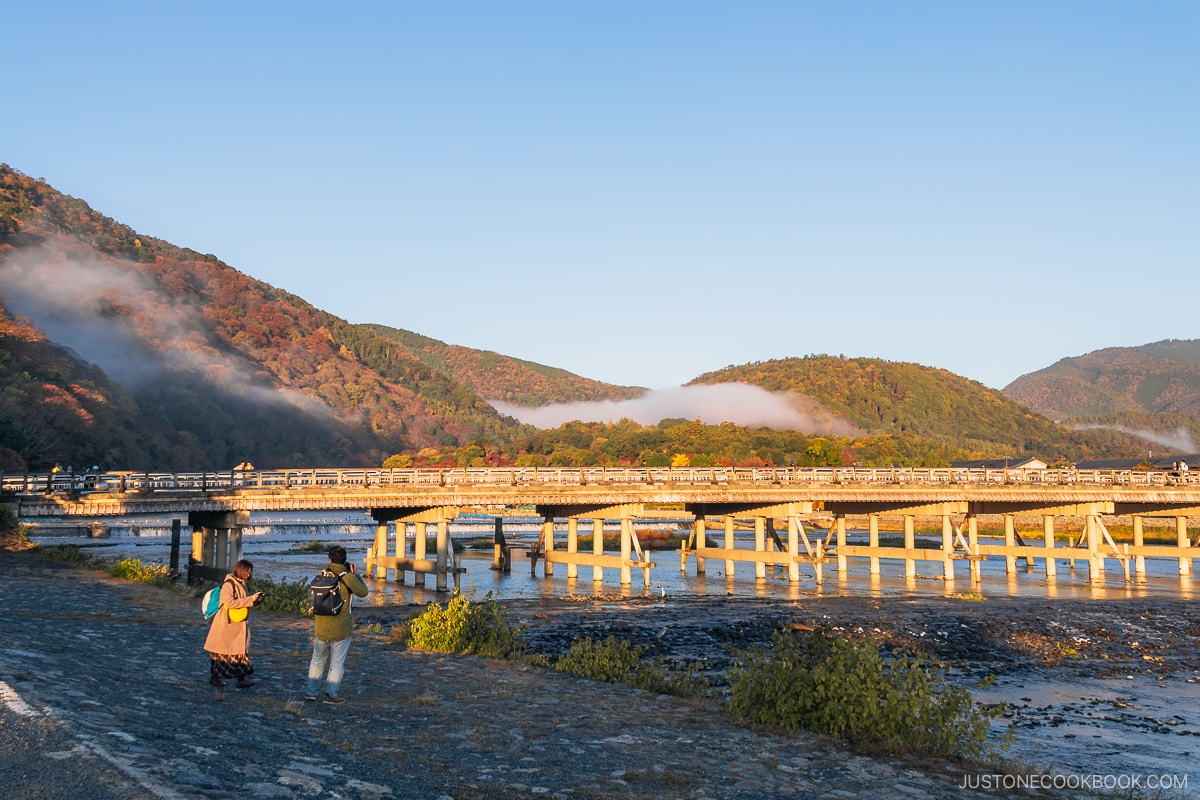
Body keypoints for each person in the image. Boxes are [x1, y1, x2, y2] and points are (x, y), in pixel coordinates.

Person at [305, 545, 368, 705]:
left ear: (329, 559)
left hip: (321, 626)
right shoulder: (347, 577)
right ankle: (330, 695)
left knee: (317, 660)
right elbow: (363, 592)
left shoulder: (321, 574)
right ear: (345, 560)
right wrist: (355, 574)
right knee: (336, 663)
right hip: (341, 628)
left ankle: (311, 692)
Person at [203, 559, 263, 688]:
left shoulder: (243, 584)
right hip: (227, 625)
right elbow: (228, 602)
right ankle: (216, 678)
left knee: (241, 652)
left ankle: (242, 679)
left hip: (239, 624)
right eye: (247, 571)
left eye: (250, 572)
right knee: (222, 654)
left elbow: (243, 601)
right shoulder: (229, 584)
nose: (249, 574)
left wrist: (254, 601)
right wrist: (249, 601)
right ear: (240, 570)